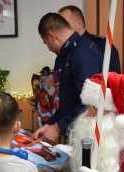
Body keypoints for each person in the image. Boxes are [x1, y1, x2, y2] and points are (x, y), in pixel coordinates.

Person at [34, 12, 104, 144]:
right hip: (77, 130)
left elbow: (91, 104)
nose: (48, 48)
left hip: (89, 135)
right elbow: (69, 101)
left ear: (51, 36)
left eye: (46, 43)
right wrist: (50, 125)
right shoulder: (68, 54)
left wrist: (57, 127)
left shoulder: (83, 54)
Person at [58, 5, 121, 74]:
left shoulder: (103, 46)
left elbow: (113, 80)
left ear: (79, 24)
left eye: (64, 24)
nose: (60, 29)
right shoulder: (63, 51)